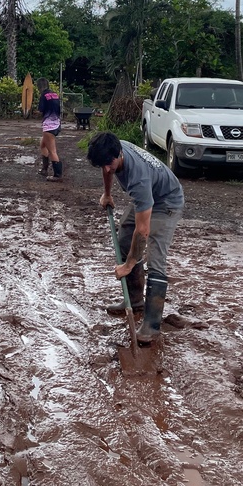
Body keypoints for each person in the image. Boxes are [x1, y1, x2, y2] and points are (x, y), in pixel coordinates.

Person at [86, 131, 184, 345]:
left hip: (166, 203)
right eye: (100, 165)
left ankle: (151, 324)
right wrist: (107, 193)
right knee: (123, 238)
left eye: (108, 164)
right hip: (149, 196)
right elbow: (107, 169)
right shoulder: (113, 149)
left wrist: (129, 264)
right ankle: (135, 299)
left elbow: (143, 231)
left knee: (156, 259)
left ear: (119, 154)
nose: (105, 169)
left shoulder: (137, 177)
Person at [36, 77, 63, 181]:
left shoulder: (43, 96)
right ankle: (44, 169)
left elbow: (40, 110)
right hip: (57, 124)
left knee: (52, 151)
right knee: (42, 145)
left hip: (49, 126)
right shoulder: (54, 94)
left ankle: (57, 175)